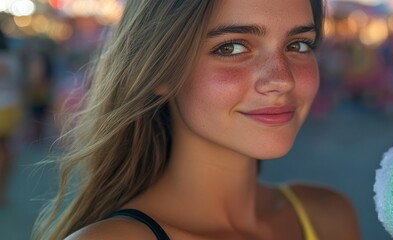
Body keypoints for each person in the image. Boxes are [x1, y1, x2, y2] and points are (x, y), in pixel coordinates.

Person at [33, 1, 360, 239]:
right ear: (160, 71)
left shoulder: (329, 217)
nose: (282, 79)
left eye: (298, 44)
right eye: (232, 48)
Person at [0, 30, 22, 206]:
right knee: (6, 148)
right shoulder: (12, 57)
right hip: (11, 106)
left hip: (2, 106)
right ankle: (3, 189)